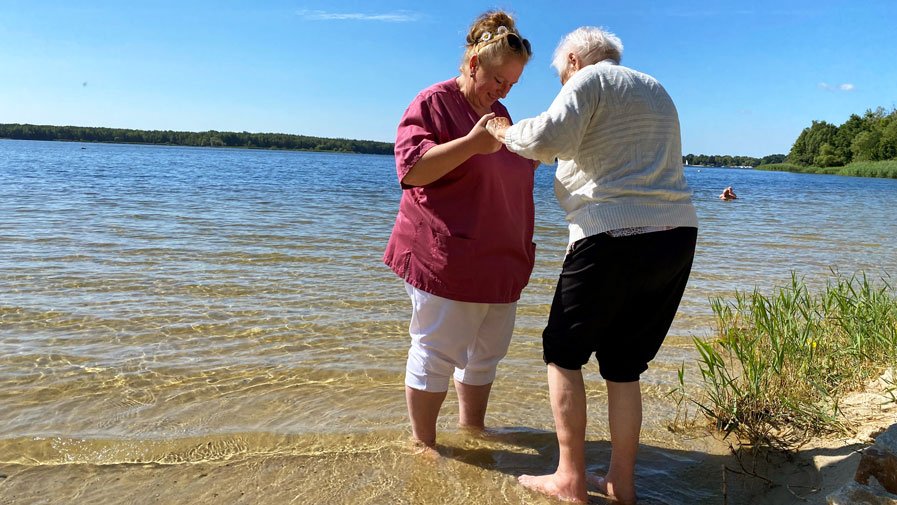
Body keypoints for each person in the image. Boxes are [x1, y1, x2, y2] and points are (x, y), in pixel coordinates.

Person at [486, 27, 698, 504]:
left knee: (562, 352)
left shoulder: (590, 80)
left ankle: (569, 478)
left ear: (575, 60)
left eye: (562, 76)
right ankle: (622, 483)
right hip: (676, 236)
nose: (563, 85)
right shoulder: (656, 88)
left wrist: (501, 130)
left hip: (612, 232)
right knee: (625, 365)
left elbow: (546, 138)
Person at [383, 10, 536, 453]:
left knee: (486, 354)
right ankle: (424, 445)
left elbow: (508, 175)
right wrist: (471, 143)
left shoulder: (501, 113)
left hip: (500, 259)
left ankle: (473, 430)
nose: (502, 91)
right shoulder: (432, 102)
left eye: (510, 85)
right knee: (435, 353)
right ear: (472, 64)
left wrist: (535, 153)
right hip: (446, 256)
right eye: (497, 80)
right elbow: (412, 170)